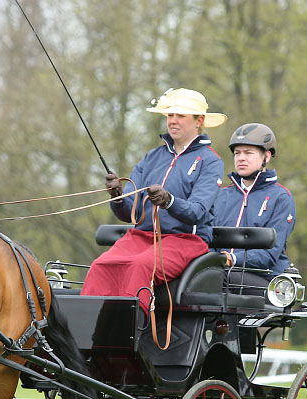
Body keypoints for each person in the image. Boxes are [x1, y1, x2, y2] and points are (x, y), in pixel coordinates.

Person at [81, 88, 226, 298]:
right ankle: (89, 327)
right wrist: (118, 197)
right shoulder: (151, 158)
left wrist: (169, 201)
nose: (173, 121)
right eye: (170, 115)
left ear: (198, 121)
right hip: (141, 237)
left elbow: (198, 212)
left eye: (181, 115)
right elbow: (130, 212)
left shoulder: (210, 161)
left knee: (140, 266)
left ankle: (130, 328)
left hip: (186, 240)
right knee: (101, 265)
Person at [211, 123, 296, 293]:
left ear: (267, 156)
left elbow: (270, 254)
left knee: (217, 278)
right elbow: (206, 238)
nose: (241, 158)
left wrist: (231, 259)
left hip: (263, 278)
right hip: (220, 272)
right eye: (237, 153)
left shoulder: (281, 197)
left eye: (248, 153)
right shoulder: (220, 196)